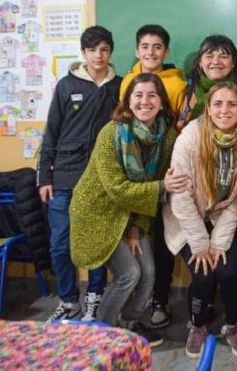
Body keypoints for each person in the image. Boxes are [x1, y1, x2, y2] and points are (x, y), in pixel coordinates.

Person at [70, 73, 184, 346]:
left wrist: (136, 228)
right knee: (129, 273)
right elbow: (118, 188)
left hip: (133, 213)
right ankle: (104, 333)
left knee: (149, 273)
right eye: (138, 95)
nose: (145, 101)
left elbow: (153, 186)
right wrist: (160, 188)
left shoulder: (166, 136)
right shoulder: (111, 132)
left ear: (161, 101)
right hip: (98, 212)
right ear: (128, 101)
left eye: (152, 95)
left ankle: (130, 322)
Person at [163, 81, 237, 359]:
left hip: (223, 215)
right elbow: (180, 197)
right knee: (204, 273)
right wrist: (199, 244)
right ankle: (197, 324)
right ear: (207, 108)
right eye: (217, 103)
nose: (224, 110)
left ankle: (233, 324)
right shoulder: (190, 137)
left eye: (232, 104)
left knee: (230, 271)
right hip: (187, 216)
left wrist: (218, 243)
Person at [37, 25, 121, 322]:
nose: (98, 55)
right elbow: (51, 133)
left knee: (95, 243)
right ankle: (68, 299)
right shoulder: (66, 85)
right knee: (60, 244)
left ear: (110, 52)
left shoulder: (120, 86)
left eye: (104, 49)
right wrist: (44, 177)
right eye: (92, 50)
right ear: (83, 53)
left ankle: (95, 297)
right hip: (64, 178)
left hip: (100, 181)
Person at [118, 23, 187, 330]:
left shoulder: (177, 83)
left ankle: (159, 300)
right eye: (145, 46)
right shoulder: (127, 82)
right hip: (135, 178)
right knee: (137, 242)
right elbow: (124, 123)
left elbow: (178, 124)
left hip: (166, 173)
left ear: (166, 51)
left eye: (157, 47)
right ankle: (134, 306)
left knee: (163, 242)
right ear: (136, 50)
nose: (150, 52)